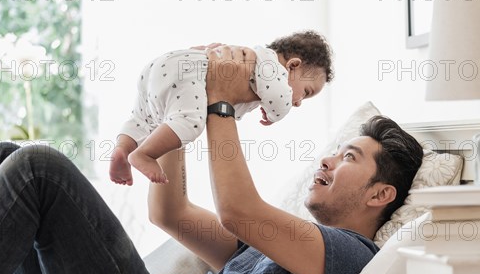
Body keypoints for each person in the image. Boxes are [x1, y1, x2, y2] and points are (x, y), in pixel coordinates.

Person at [0, 46, 423, 274]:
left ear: (379, 194)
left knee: (38, 169)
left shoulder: (355, 257)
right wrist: (185, 100)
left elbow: (239, 210)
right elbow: (170, 214)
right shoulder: (271, 250)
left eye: (349, 157)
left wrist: (220, 102)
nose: (327, 158)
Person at [110, 31, 334, 185]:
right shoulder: (271, 66)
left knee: (143, 117)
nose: (298, 103)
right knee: (190, 122)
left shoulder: (256, 60)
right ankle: (144, 154)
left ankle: (123, 147)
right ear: (293, 65)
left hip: (163, 66)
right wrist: (276, 115)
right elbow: (280, 100)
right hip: (191, 74)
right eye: (306, 92)